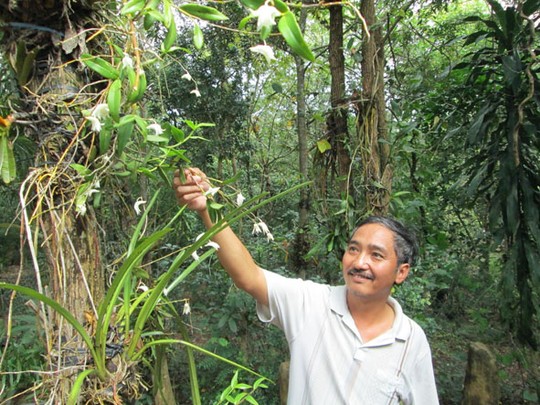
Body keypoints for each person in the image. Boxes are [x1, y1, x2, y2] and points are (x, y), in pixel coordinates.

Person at [173, 167, 439, 405]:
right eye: (353, 249)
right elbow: (248, 276)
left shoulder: (411, 341)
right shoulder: (310, 303)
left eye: (376, 255)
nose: (359, 262)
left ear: (401, 272)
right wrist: (208, 207)